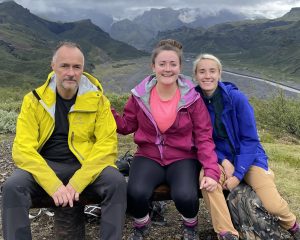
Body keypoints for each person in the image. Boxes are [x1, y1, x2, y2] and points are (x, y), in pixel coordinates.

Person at [1, 41, 127, 240]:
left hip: (84, 164)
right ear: (53, 67)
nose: (71, 72)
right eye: (65, 66)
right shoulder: (33, 100)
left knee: (117, 182)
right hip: (46, 165)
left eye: (77, 67)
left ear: (83, 69)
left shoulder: (99, 101)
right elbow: (22, 149)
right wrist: (54, 185)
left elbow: (107, 146)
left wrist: (77, 182)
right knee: (12, 186)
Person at [112, 39, 220, 240]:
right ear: (153, 66)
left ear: (180, 67)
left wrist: (212, 171)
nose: (167, 69)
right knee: (135, 192)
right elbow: (127, 126)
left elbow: (204, 136)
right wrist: (105, 111)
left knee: (186, 196)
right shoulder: (139, 96)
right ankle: (142, 224)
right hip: (148, 155)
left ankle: (190, 225)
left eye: (173, 64)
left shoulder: (192, 98)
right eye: (162, 64)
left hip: (182, 157)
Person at [193, 53, 300, 240]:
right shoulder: (194, 103)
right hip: (219, 158)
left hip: (249, 158)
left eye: (212, 71)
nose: (207, 76)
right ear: (195, 75)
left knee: (273, 205)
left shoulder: (237, 99)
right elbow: (199, 140)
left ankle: (291, 224)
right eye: (202, 71)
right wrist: (223, 160)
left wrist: (238, 174)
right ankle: (227, 233)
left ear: (220, 73)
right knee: (208, 180)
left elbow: (250, 140)